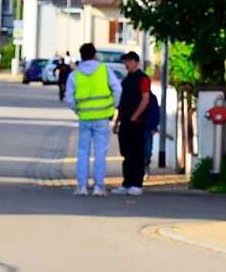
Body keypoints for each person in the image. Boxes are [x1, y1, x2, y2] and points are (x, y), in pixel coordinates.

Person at [64, 42, 122, 196]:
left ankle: (81, 186)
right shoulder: (104, 70)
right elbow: (117, 89)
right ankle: (98, 187)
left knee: (83, 152)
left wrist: (79, 110)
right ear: (95, 54)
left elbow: (68, 98)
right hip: (102, 117)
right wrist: (112, 107)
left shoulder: (74, 75)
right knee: (100, 153)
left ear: (81, 56)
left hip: (85, 118)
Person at [112, 51, 150, 196]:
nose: (125, 64)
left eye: (127, 61)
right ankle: (127, 183)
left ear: (135, 62)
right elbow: (122, 103)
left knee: (136, 154)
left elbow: (145, 99)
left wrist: (135, 116)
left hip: (137, 122)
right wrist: (117, 122)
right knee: (126, 154)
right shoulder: (126, 80)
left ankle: (136, 183)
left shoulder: (143, 79)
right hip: (125, 121)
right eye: (125, 62)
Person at [143, 90, 160, 174]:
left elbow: (156, 112)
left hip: (148, 127)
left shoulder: (152, 98)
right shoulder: (135, 95)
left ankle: (146, 165)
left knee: (148, 149)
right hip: (137, 127)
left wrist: (154, 126)